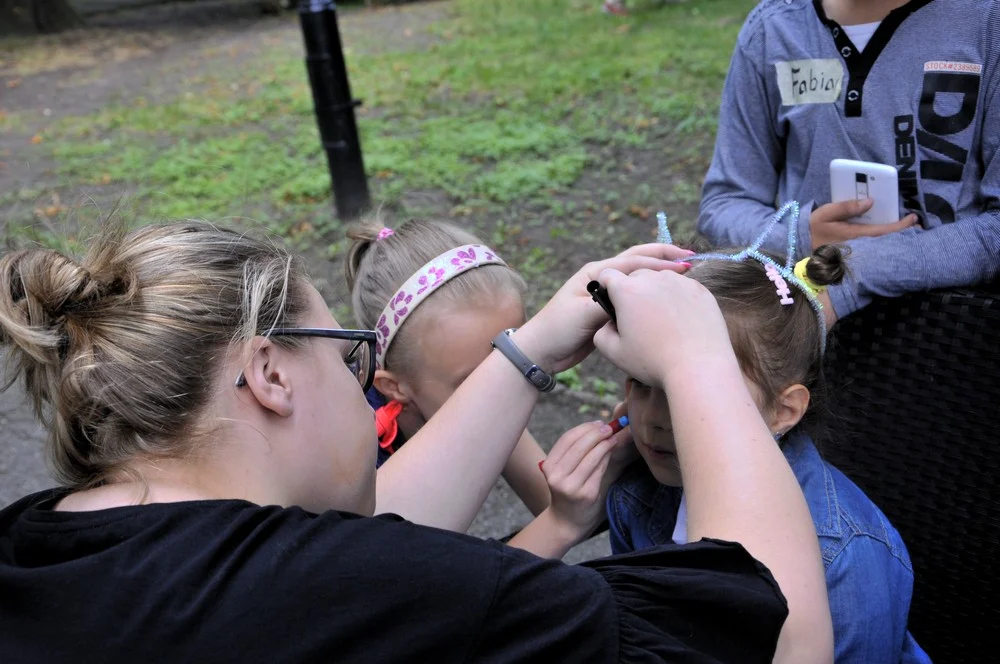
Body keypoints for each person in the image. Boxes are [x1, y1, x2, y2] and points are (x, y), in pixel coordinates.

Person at [0, 219, 833, 662]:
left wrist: (530, 349)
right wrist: (696, 361)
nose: (363, 382)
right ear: (271, 373)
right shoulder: (367, 592)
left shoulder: (42, 550)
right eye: (349, 353)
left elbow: (356, 543)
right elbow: (772, 632)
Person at [605, 230, 929, 662]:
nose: (657, 419)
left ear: (785, 410)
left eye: (698, 389)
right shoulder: (637, 493)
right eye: (644, 384)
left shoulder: (846, 555)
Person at [698, 0, 1000, 328]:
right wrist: (799, 237)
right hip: (807, 334)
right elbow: (723, 206)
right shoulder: (773, 30)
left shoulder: (987, 21)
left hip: (956, 333)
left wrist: (864, 265)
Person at [345, 217, 632, 558]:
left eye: (513, 354)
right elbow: (432, 591)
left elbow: (549, 499)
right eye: (475, 378)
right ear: (393, 387)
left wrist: (616, 455)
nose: (501, 380)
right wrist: (562, 523)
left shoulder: (473, 390)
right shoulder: (355, 463)